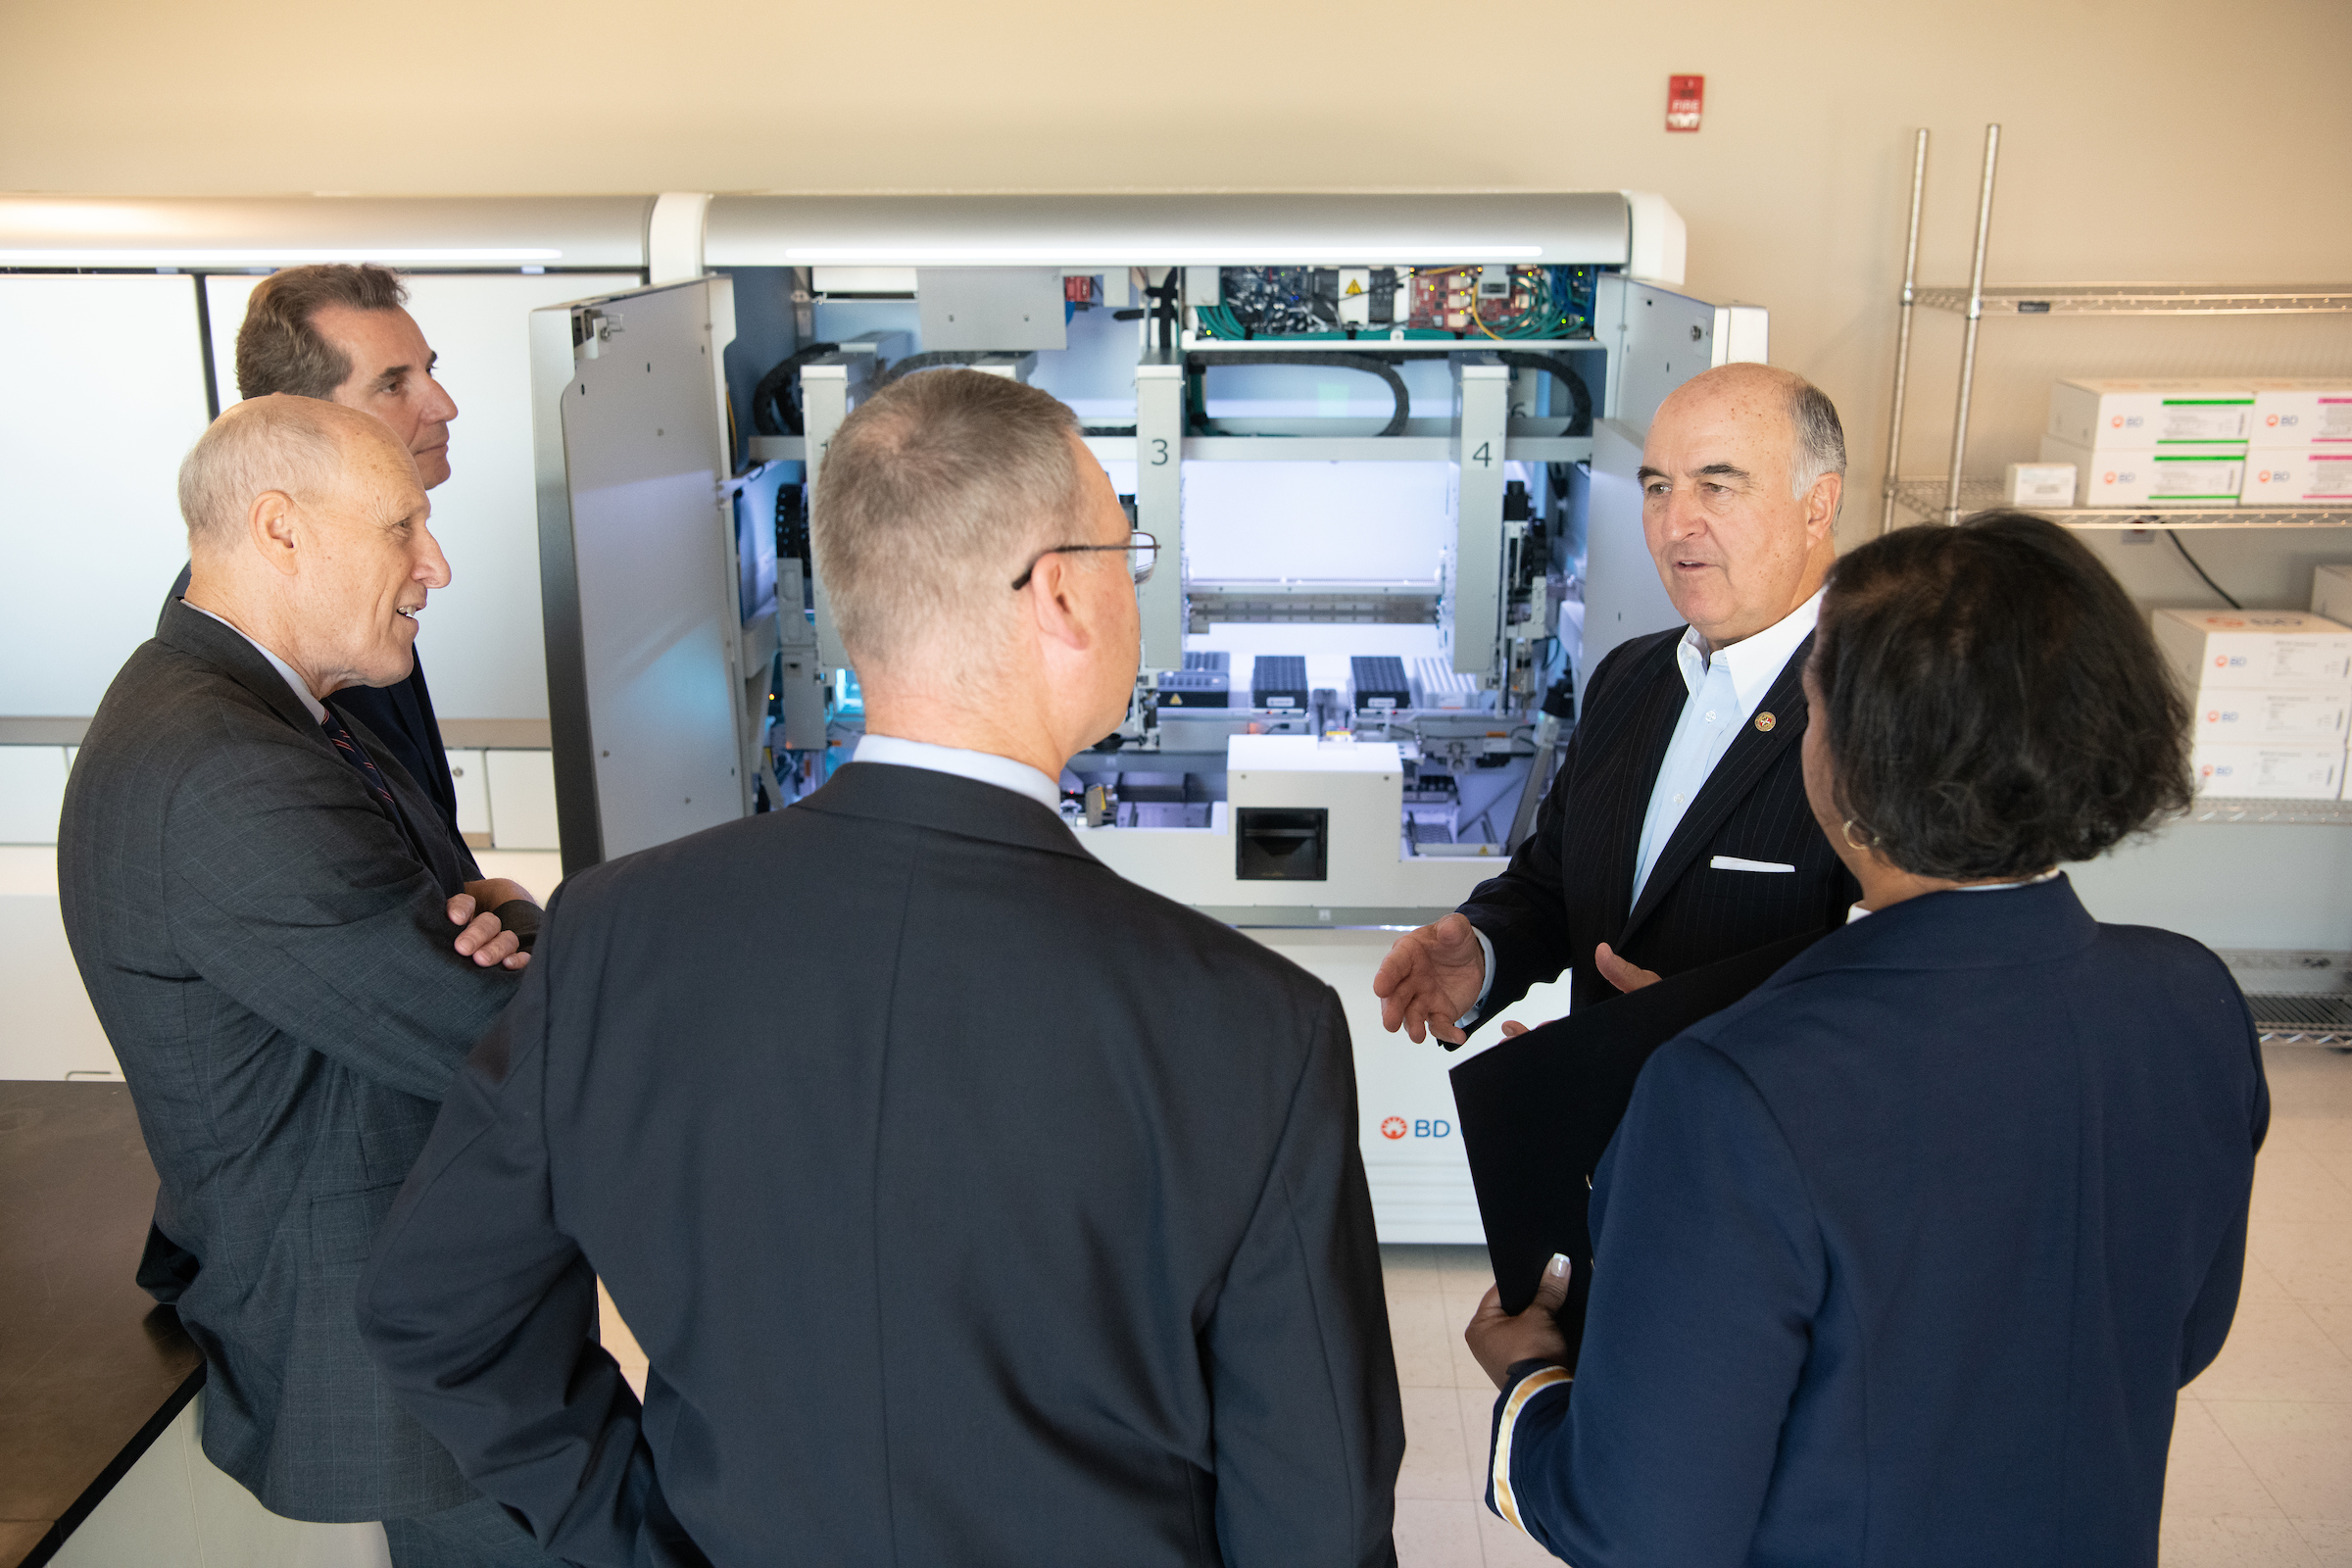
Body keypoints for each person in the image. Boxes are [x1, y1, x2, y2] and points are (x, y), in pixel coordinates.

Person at [356, 368, 1404, 1568]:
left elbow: (432, 1308)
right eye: (1131, 550)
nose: (1137, 585)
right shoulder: (1254, 1026)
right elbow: (1316, 1515)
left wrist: (639, 1539)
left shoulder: (610, 935)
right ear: (1060, 592)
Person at [1464, 512, 2267, 1566]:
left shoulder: (1726, 1089)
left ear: (1845, 761)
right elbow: (2176, 1337)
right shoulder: (2191, 999)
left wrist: (1532, 1378)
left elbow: (1641, 1524)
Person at [60, 396, 557, 1567]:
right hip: (386, 1334)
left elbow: (462, 927)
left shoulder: (273, 713)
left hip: (429, 1289)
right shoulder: (225, 770)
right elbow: (485, 1030)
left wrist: (520, 916)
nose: (434, 565)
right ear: (280, 530)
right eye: (403, 527)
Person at [1374, 363, 1861, 1046]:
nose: (1674, 523)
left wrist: (1693, 1045)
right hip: (1608, 1144)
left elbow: (1913, 1011)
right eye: (1658, 488)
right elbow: (1557, 880)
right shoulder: (1631, 676)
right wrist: (1485, 952)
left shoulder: (1882, 716)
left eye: (1716, 487)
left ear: (1818, 505)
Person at [167, 263, 466, 838]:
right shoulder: (286, 612)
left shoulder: (369, 570)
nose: (444, 405)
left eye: (429, 371)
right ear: (301, 415)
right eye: (393, 384)